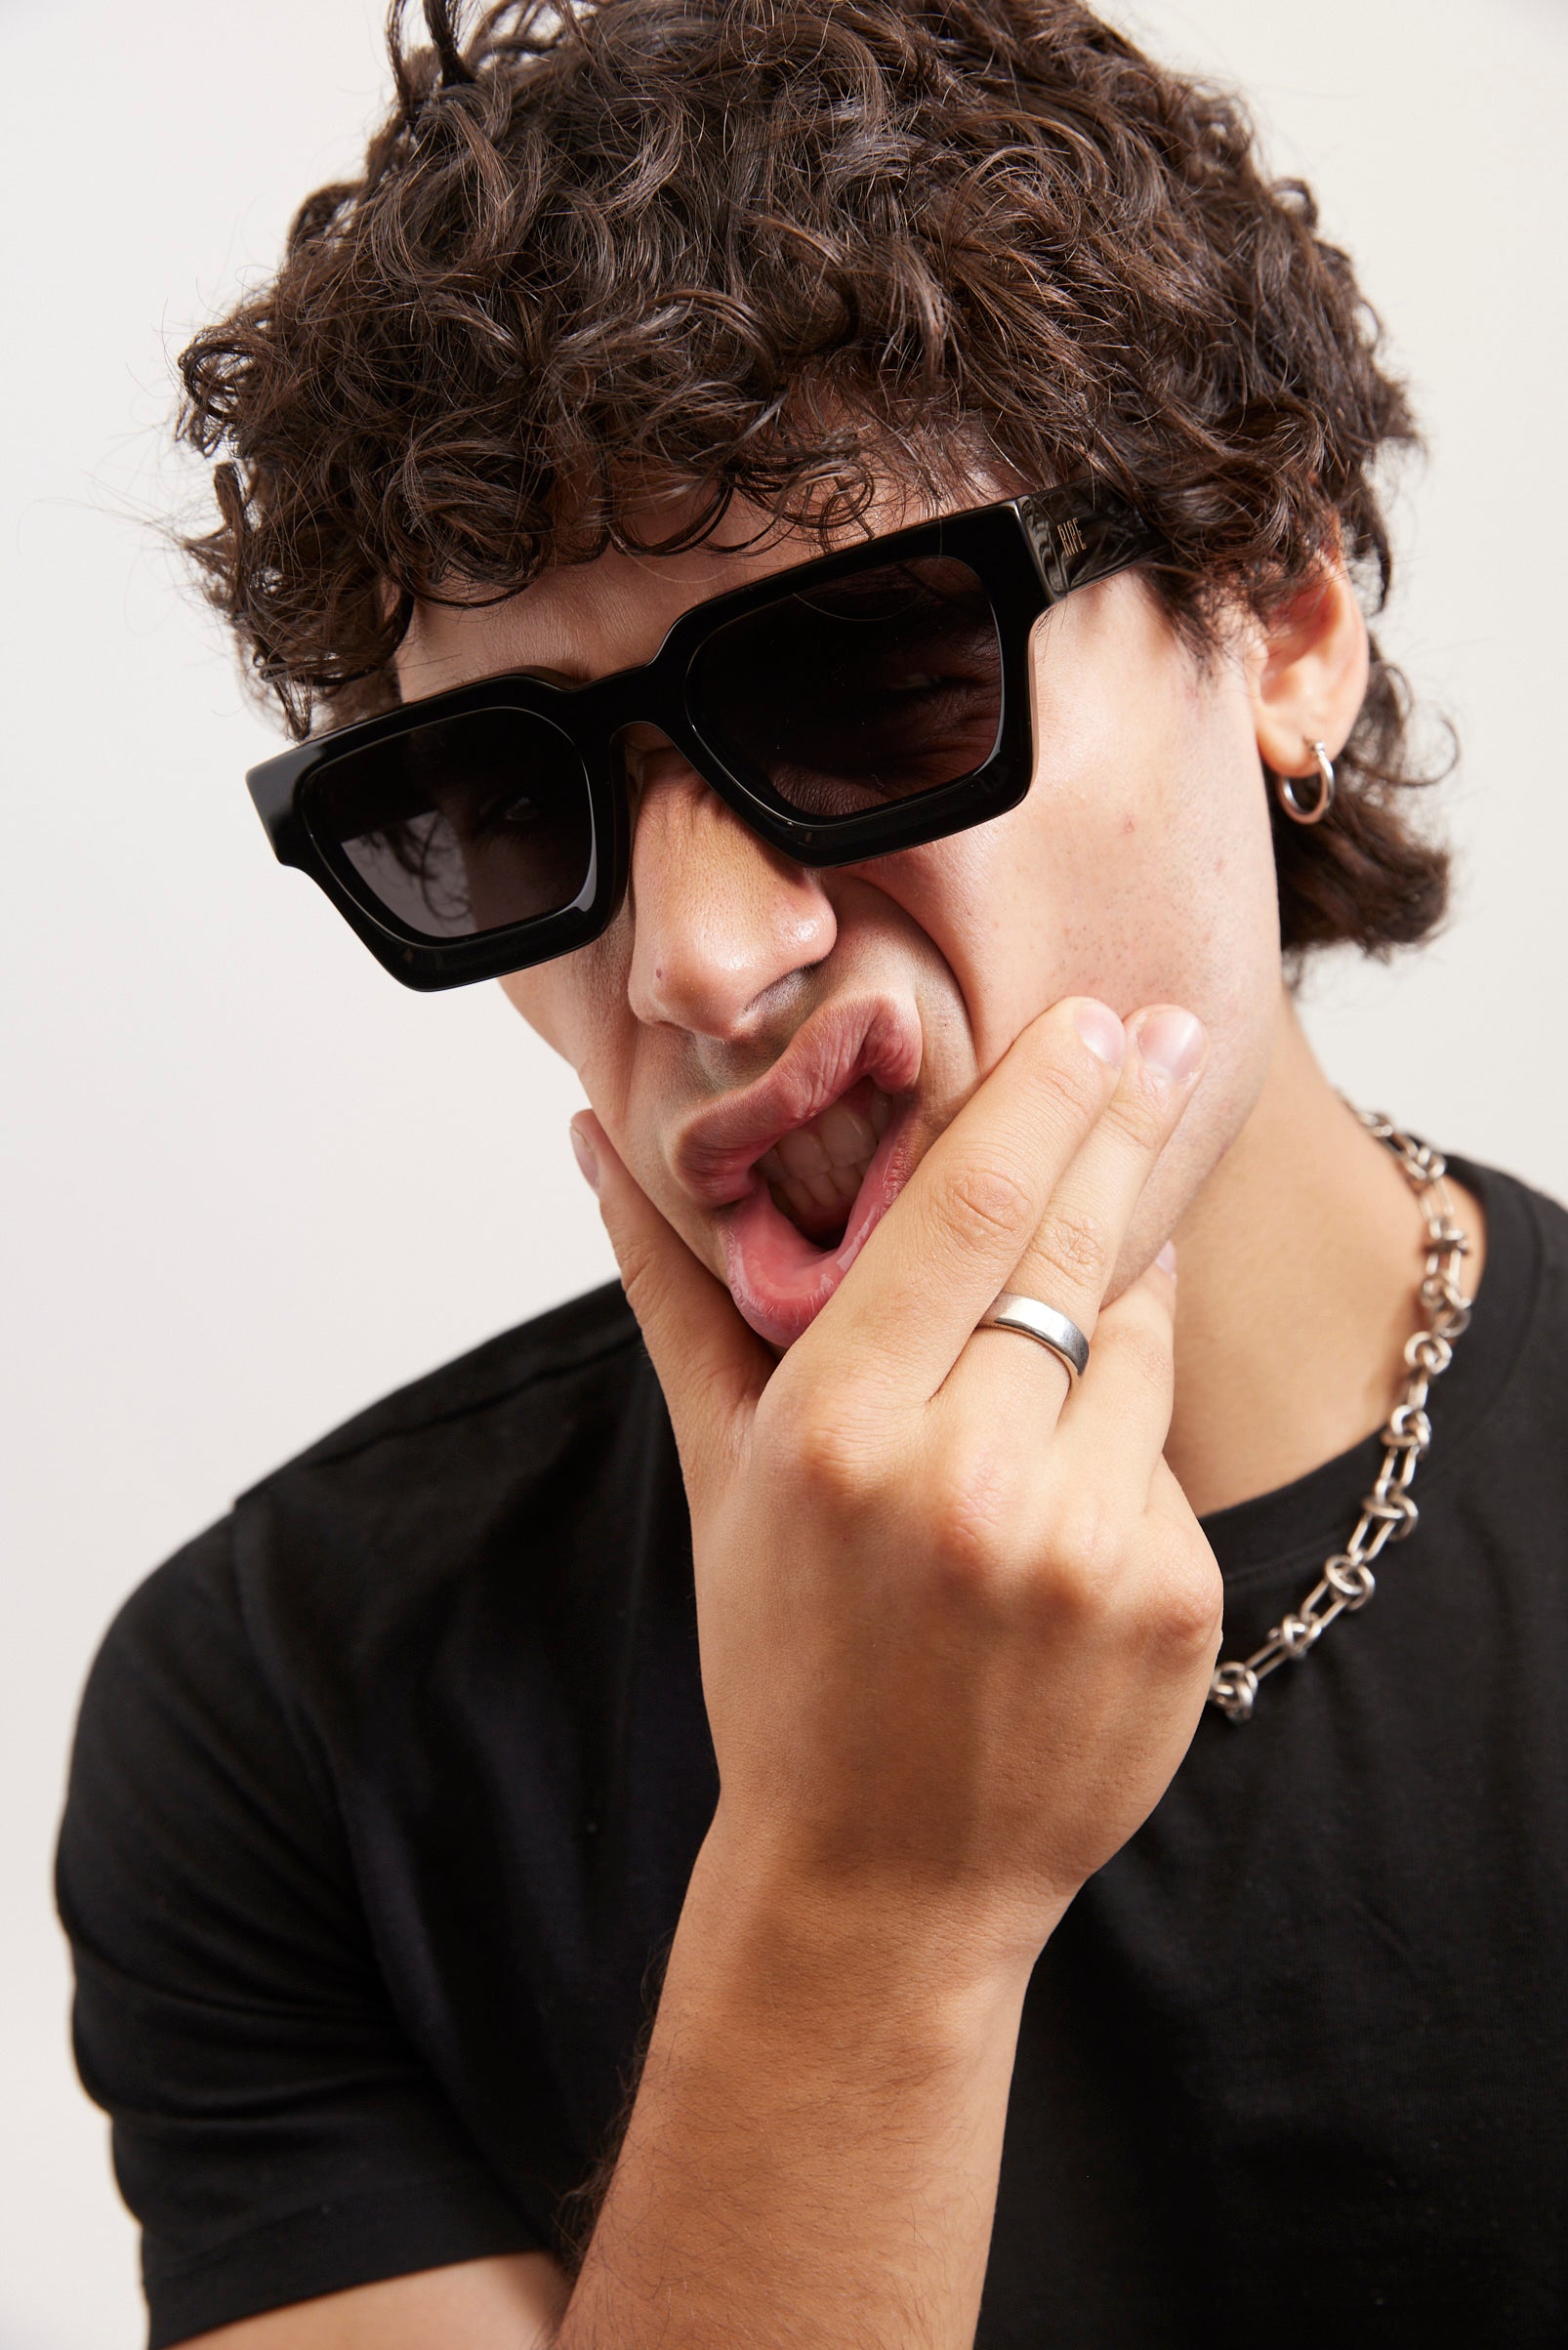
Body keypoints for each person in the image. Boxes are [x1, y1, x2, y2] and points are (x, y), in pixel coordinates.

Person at [57, 1, 1568, 2344]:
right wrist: (861, 1900)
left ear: (1279, 623)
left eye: (862, 682)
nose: (694, 958)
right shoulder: (293, 1710)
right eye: (511, 804)